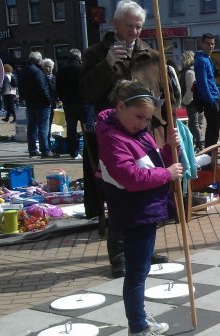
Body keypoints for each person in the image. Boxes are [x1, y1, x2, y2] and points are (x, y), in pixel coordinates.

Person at [81, 0, 169, 277]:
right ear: (115, 24)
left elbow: (163, 92)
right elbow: (86, 92)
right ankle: (119, 256)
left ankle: (145, 248)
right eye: (129, 26)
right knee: (119, 195)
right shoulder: (95, 53)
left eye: (138, 26)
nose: (133, 32)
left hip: (147, 134)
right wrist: (107, 65)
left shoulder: (152, 54)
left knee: (148, 194)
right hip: (115, 137)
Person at [96, 80, 181, 336]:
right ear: (121, 107)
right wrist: (167, 174)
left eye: (147, 119)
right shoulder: (112, 138)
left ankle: (140, 319)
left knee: (141, 270)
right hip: (133, 210)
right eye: (138, 117)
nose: (143, 124)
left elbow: (156, 162)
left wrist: (168, 147)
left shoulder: (138, 133)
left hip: (146, 209)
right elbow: (131, 177)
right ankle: (138, 331)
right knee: (136, 273)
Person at [56, 49, 94, 160]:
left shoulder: (61, 70)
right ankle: (90, 151)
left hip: (68, 103)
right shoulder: (84, 69)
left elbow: (58, 88)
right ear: (79, 57)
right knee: (88, 127)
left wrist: (63, 99)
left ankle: (73, 152)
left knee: (71, 129)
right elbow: (89, 86)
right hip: (84, 103)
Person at [19, 51, 53, 158]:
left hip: (30, 103)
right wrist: (49, 100)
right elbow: (42, 89)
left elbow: (20, 87)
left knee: (31, 127)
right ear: (38, 60)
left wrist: (23, 98)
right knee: (43, 127)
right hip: (41, 103)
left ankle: (32, 149)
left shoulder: (23, 70)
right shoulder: (38, 71)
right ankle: (45, 150)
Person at [193, 33, 220, 150]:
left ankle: (212, 159)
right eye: (207, 43)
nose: (210, 46)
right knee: (212, 132)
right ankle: (210, 159)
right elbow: (202, 82)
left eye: (212, 44)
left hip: (214, 97)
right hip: (211, 99)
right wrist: (210, 101)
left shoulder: (207, 59)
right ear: (202, 44)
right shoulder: (201, 60)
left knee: (214, 131)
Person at [179, 50, 204, 150]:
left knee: (194, 124)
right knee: (197, 123)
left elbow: (190, 89)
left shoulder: (189, 72)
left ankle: (199, 144)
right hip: (199, 100)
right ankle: (197, 143)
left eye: (181, 59)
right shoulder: (195, 69)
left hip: (192, 101)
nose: (180, 61)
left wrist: (184, 101)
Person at [42, 58, 57, 143]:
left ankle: (47, 142)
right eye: (45, 67)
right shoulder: (42, 77)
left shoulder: (54, 78)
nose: (47, 68)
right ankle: (45, 143)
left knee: (50, 123)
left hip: (53, 103)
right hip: (45, 103)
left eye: (49, 67)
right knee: (45, 125)